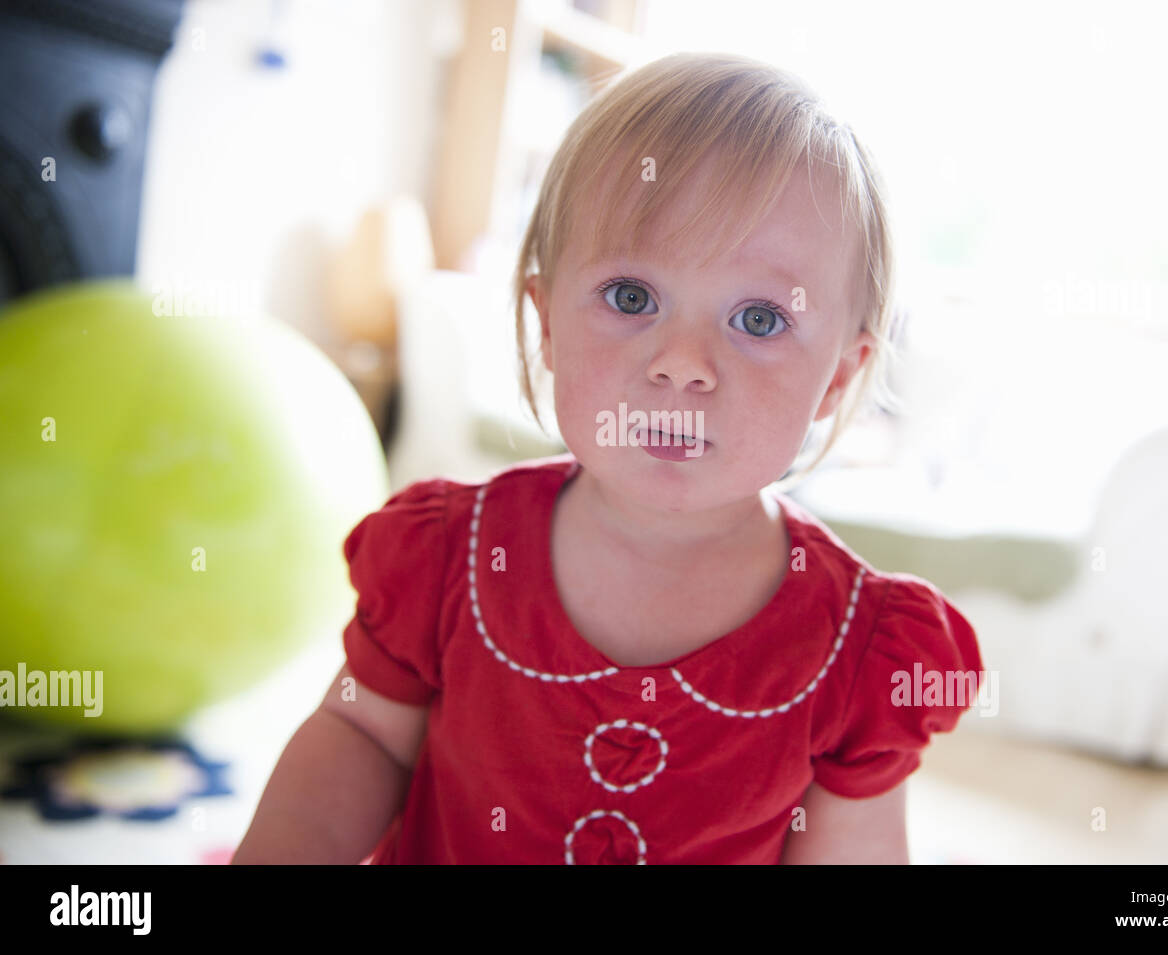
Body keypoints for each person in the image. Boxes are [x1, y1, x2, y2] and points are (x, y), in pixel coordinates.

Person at [233, 51, 984, 865]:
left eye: (760, 319)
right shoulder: (449, 557)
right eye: (633, 298)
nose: (684, 361)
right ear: (547, 322)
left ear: (836, 377)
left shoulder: (856, 650)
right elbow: (360, 732)